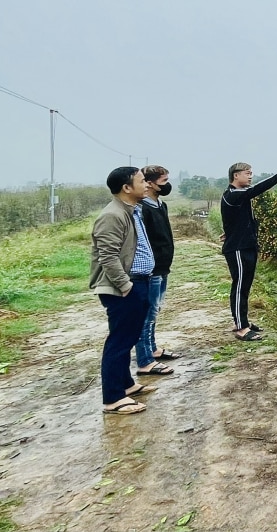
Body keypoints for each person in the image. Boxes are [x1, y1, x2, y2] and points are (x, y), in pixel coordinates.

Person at [90, 166, 159, 415]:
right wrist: (125, 285)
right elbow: (107, 256)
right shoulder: (113, 215)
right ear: (126, 188)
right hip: (123, 287)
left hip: (137, 282)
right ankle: (113, 398)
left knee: (128, 337)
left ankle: (126, 385)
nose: (147, 184)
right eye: (142, 181)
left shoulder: (131, 210)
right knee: (119, 341)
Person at [221, 162, 277, 341]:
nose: (250, 176)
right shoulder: (234, 194)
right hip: (238, 249)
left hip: (245, 245)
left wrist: (232, 230)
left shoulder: (237, 196)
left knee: (244, 286)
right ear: (236, 176)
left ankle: (242, 321)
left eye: (251, 173)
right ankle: (241, 328)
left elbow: (233, 217)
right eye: (247, 173)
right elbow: (258, 189)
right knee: (240, 287)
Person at [134, 164, 179, 377]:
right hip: (151, 269)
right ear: (150, 183)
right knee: (146, 315)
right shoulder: (142, 209)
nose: (167, 185)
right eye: (163, 181)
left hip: (163, 267)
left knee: (155, 311)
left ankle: (152, 349)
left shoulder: (160, 205)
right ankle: (145, 361)